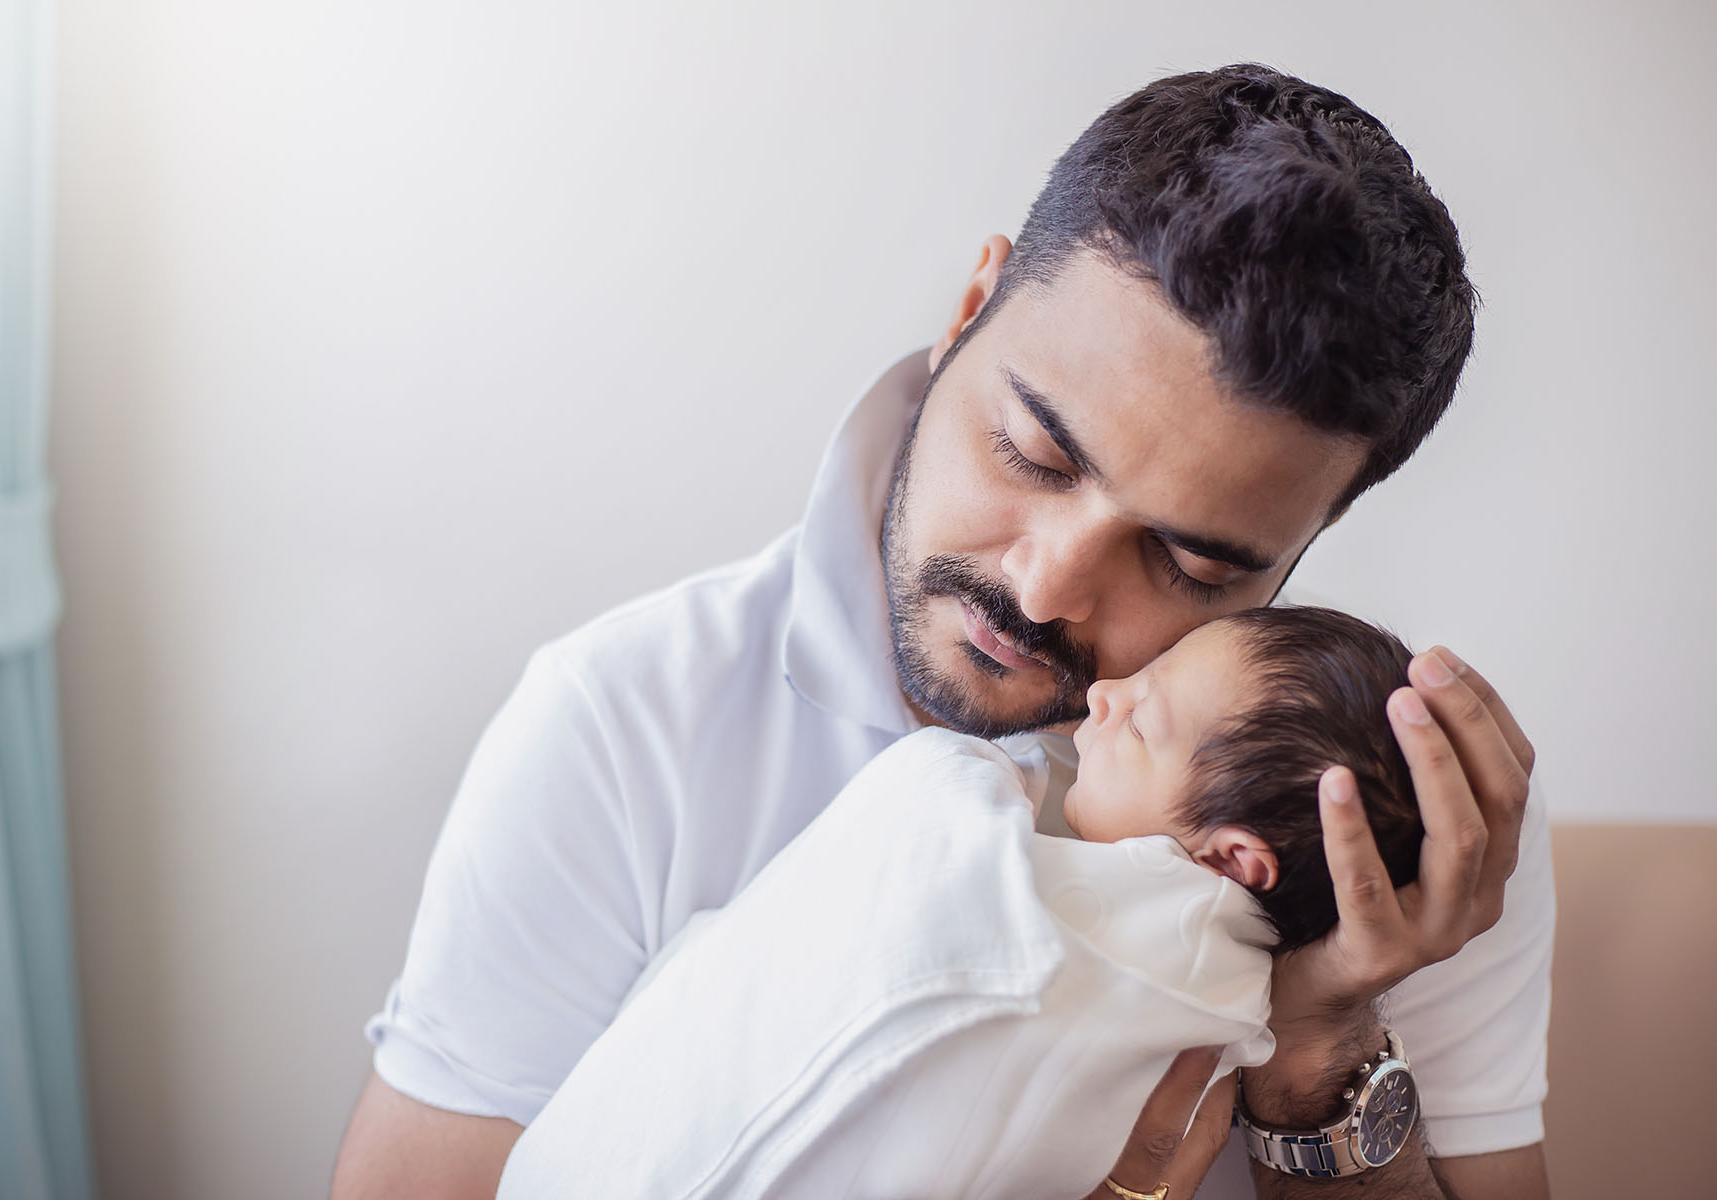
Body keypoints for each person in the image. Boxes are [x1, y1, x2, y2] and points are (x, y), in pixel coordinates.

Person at [332, 63, 1552, 1200]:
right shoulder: (624, 722)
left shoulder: (1386, 812)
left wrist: (1319, 1056)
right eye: (1032, 451)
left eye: (1184, 563)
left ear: (1298, 554)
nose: (1046, 586)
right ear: (969, 310)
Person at [492, 606, 1429, 1199]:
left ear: (1230, 862)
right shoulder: (613, 698)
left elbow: (944, 928)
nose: (1102, 696)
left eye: (1142, 718)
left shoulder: (1167, 942)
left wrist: (972, 769)